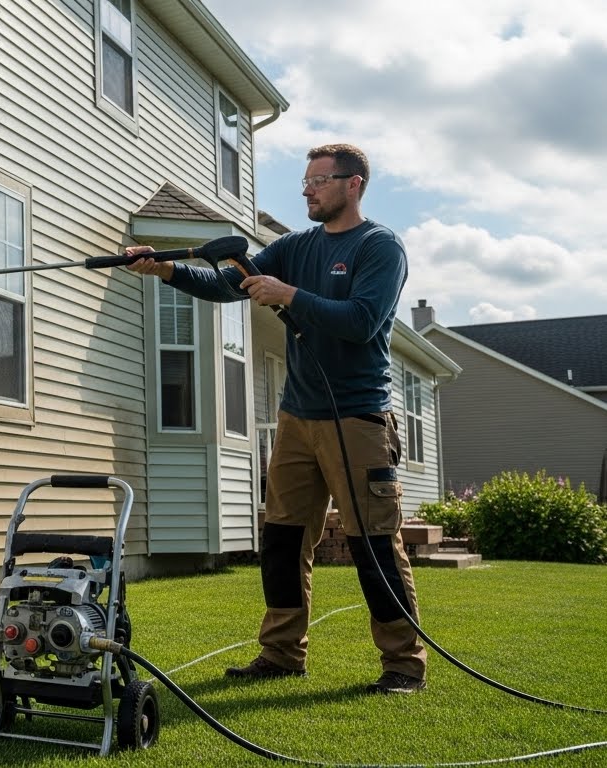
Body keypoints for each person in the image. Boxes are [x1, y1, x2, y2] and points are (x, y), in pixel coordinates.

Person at [124, 143, 426, 695]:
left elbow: (361, 321)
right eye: (305, 181)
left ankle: (404, 665)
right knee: (284, 541)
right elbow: (226, 285)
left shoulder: (380, 247)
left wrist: (290, 294)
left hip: (359, 418)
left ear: (353, 184)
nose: (307, 190)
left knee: (374, 544)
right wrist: (165, 269)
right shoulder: (293, 246)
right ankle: (282, 653)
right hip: (296, 418)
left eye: (319, 181)